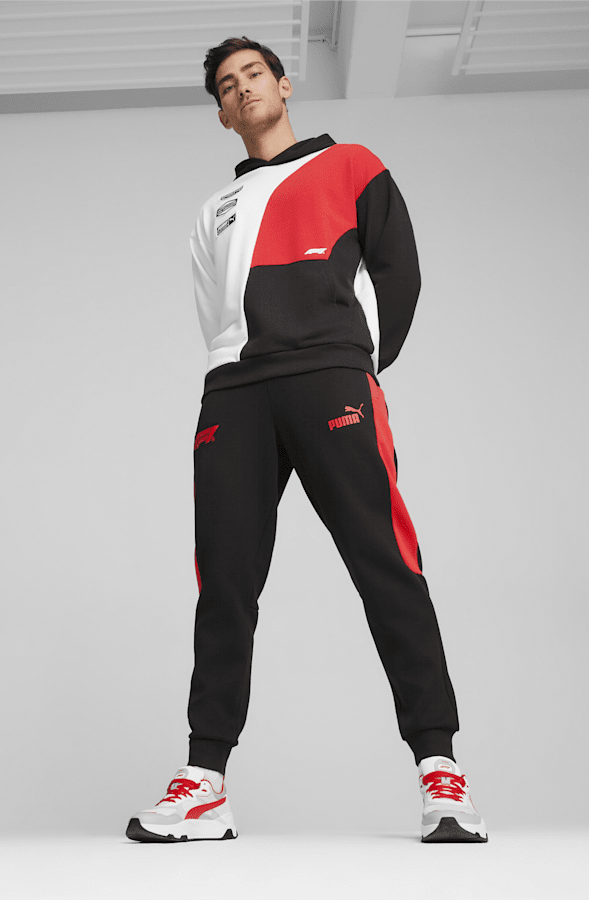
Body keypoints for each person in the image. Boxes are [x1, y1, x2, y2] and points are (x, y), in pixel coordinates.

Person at [126, 36, 487, 845]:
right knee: (225, 583)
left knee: (384, 562)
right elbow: (215, 315)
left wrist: (352, 359)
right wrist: (244, 367)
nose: (243, 89)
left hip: (330, 379)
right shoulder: (214, 211)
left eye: (254, 74)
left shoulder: (353, 165)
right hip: (235, 393)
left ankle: (441, 771)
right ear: (222, 114)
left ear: (284, 85)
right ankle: (206, 783)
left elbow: (400, 274)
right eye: (227, 85)